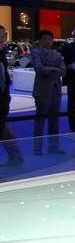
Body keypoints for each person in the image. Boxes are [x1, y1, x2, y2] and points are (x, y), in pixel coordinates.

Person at [30, 30, 66, 155]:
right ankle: (37, 149)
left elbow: (63, 71)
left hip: (55, 91)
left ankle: (53, 147)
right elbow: (39, 69)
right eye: (44, 39)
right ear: (40, 40)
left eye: (49, 39)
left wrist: (49, 69)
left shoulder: (56, 54)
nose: (47, 41)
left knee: (54, 121)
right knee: (40, 121)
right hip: (42, 91)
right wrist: (54, 69)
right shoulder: (36, 52)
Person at [0, 26, 24, 167]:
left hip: (2, 99)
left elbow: (2, 81)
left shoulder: (1, 54)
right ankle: (15, 157)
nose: (2, 40)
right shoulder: (2, 54)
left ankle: (15, 157)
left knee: (4, 129)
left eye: (2, 36)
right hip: (3, 98)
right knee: (4, 129)